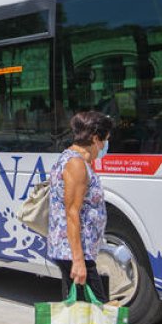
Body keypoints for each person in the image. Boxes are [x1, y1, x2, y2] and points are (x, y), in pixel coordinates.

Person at [47, 110, 112, 303]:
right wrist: (78, 261)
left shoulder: (74, 159)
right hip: (75, 252)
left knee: (81, 311)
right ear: (95, 138)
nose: (105, 146)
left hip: (75, 251)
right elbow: (72, 212)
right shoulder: (76, 164)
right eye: (105, 140)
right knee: (97, 310)